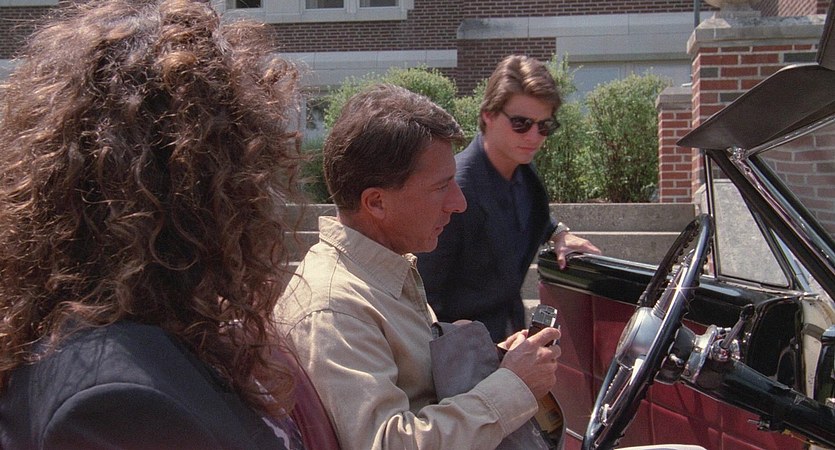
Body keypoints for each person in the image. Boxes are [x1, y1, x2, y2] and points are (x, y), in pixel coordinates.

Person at [0, 1, 331, 449]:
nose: (259, 189)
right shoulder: (115, 399)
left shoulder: (155, 330)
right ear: (198, 185)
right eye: (248, 162)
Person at [277, 83, 561, 450]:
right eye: (442, 187)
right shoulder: (337, 309)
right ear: (376, 202)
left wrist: (494, 364)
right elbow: (388, 443)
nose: (459, 203)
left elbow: (419, 390)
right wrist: (512, 386)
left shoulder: (380, 273)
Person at [417, 55, 601, 342]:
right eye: (521, 123)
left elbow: (522, 215)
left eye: (544, 126)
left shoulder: (524, 174)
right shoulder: (455, 191)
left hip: (510, 337)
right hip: (464, 351)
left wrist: (558, 232)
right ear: (488, 115)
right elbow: (425, 297)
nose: (534, 136)